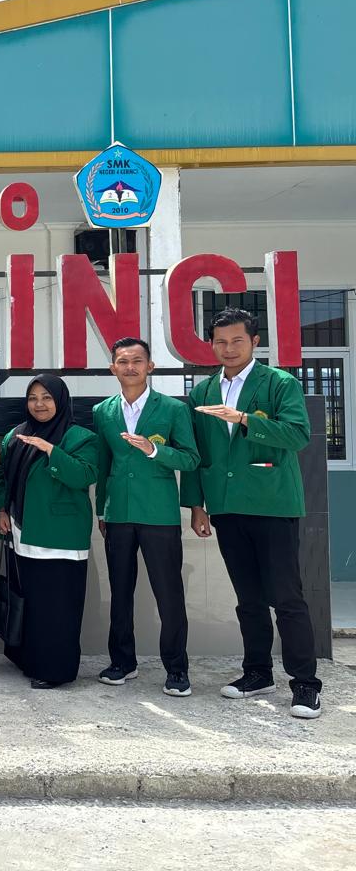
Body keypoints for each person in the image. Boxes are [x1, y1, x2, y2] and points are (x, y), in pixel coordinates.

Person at [182, 307, 323, 719]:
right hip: (226, 506)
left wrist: (243, 419)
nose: (228, 348)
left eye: (237, 341)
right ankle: (258, 673)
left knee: (287, 598)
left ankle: (305, 684)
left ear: (255, 342)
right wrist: (196, 505)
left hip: (272, 504)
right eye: (221, 342)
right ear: (211, 345)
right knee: (248, 598)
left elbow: (297, 435)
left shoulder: (279, 383)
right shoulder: (202, 392)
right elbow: (196, 454)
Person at [93, 337, 199, 698]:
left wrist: (155, 450)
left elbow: (190, 459)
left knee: (169, 594)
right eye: (123, 362)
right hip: (119, 513)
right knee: (120, 592)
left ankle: (177, 669)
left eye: (137, 361)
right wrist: (101, 508)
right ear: (113, 368)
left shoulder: (172, 409)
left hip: (159, 514)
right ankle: (122, 662)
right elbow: (104, 463)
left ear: (150, 367)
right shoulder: (103, 411)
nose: (130, 367)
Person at [0, 374, 99, 689]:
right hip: (21, 535)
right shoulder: (16, 435)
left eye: (47, 398)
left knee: (58, 608)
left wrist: (51, 451)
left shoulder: (80, 437)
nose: (39, 404)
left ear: (61, 401)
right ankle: (28, 660)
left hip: (60, 538)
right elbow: (0, 474)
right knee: (30, 604)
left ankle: (55, 671)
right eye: (33, 398)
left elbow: (85, 475)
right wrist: (0, 509)